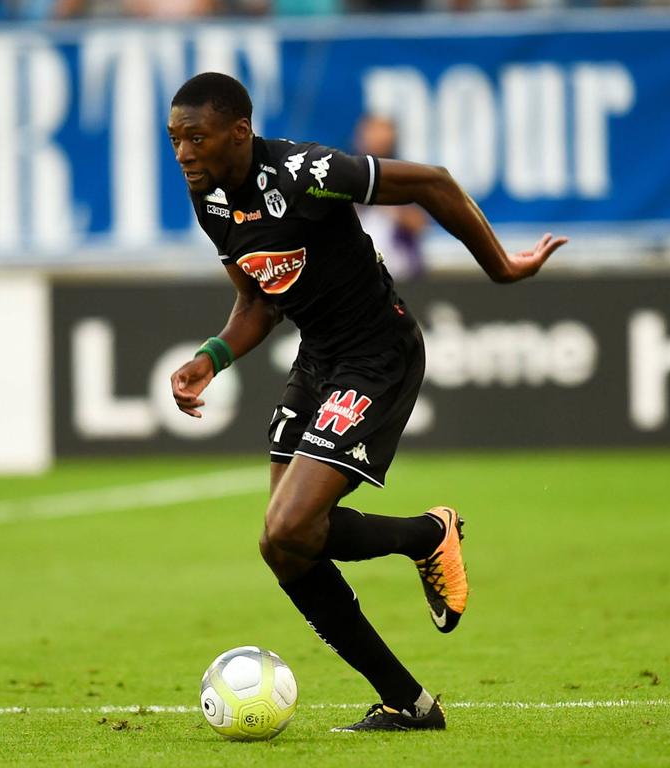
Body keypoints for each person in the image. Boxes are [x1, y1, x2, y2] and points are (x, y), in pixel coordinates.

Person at [167, 72, 566, 731]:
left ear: (239, 132)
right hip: (318, 359)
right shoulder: (210, 200)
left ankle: (427, 536)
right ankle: (408, 701)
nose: (182, 153)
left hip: (378, 354)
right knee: (286, 546)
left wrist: (501, 266)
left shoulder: (306, 172)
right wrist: (211, 357)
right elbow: (258, 299)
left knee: (289, 528)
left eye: (196, 138)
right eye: (175, 139)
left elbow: (432, 182)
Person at [352, 114, 430, 281]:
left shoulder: (404, 174)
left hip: (399, 273)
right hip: (359, 275)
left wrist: (387, 206)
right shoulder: (348, 175)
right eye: (373, 130)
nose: (378, 137)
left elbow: (420, 223)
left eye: (384, 131)